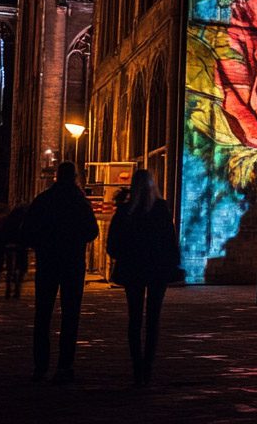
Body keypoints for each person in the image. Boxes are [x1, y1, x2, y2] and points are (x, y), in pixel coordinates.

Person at [21, 162, 99, 383]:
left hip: (47, 262)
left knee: (43, 314)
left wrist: (43, 243)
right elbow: (92, 231)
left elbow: (26, 231)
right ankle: (65, 366)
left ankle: (40, 366)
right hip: (72, 264)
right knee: (70, 315)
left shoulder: (44, 200)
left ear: (56, 176)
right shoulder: (80, 202)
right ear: (74, 177)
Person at [107, 169, 180, 386]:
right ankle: (148, 366)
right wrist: (172, 263)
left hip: (134, 270)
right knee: (153, 318)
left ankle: (136, 365)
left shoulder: (126, 212)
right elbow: (170, 241)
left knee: (135, 318)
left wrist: (124, 256)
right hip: (157, 270)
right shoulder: (160, 210)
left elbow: (113, 244)